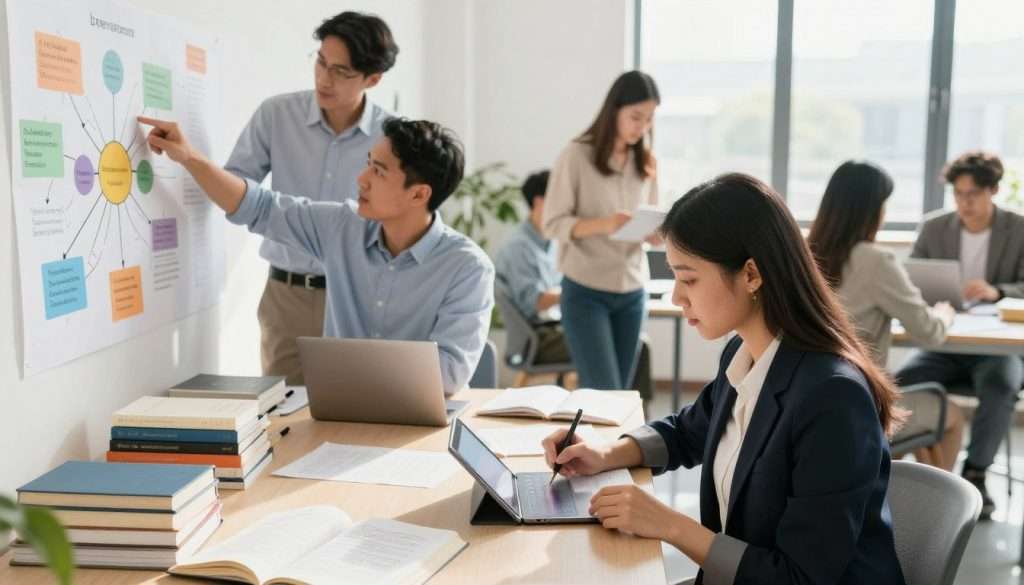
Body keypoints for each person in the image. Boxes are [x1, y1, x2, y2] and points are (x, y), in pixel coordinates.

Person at [543, 174, 906, 584]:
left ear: (751, 275)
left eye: (689, 278)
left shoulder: (833, 397)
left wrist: (671, 525)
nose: (678, 297)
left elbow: (799, 577)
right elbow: (690, 430)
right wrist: (606, 453)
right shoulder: (745, 353)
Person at [139, 115, 493, 396]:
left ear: (419, 195)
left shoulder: (468, 268)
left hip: (417, 431)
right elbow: (258, 207)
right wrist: (190, 158)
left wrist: (343, 366)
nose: (362, 178)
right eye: (369, 163)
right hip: (337, 415)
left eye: (379, 172)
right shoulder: (343, 225)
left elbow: (448, 374)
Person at [225, 11, 398, 384]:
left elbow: (407, 218)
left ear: (373, 78)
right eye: (321, 62)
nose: (324, 77)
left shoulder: (392, 135)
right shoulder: (276, 115)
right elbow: (235, 184)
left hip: (361, 295)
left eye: (341, 71)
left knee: (361, 409)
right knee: (283, 418)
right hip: (288, 295)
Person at [807, 160, 963, 471]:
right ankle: (936, 513)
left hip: (808, 406)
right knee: (952, 416)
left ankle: (881, 488)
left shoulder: (802, 254)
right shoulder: (876, 261)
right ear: (871, 211)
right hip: (861, 407)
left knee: (917, 423)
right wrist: (944, 314)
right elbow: (928, 331)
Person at [896, 150, 1024, 519]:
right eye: (958, 195)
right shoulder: (935, 227)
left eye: (972, 195)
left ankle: (976, 473)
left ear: (993, 190)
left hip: (996, 347)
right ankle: (894, 474)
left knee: (1003, 382)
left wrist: (997, 291)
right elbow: (911, 280)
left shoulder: (1018, 228)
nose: (964, 203)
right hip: (944, 342)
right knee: (900, 381)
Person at [543, 70, 661, 390]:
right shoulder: (575, 155)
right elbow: (552, 224)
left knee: (620, 395)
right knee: (602, 391)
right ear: (614, 111)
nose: (643, 127)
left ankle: (606, 443)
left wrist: (653, 233)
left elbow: (649, 217)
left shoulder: (647, 162)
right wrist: (605, 224)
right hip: (585, 291)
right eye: (636, 117)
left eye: (649, 119)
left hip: (633, 291)